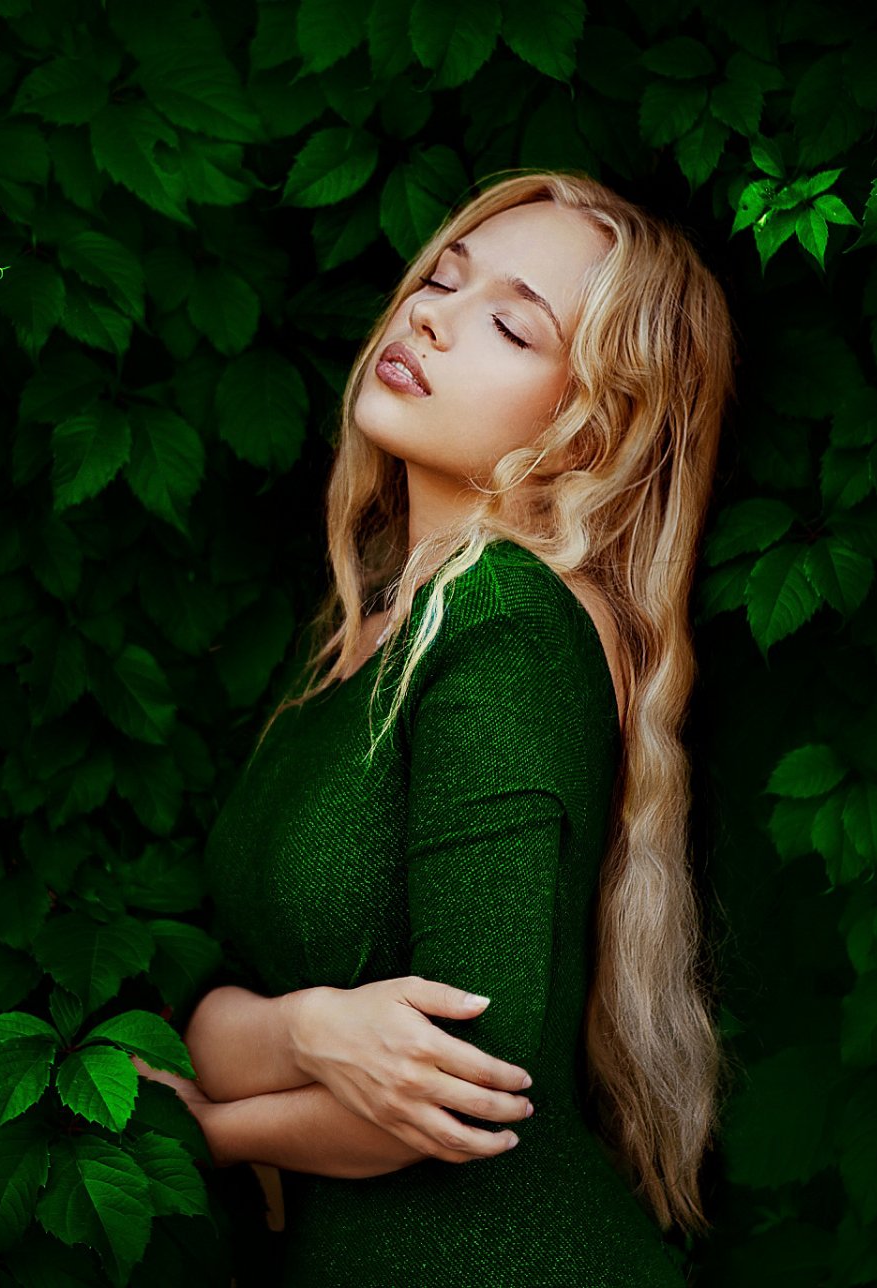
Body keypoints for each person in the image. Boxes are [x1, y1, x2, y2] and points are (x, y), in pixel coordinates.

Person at [131, 169, 739, 1285]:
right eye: (442, 280)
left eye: (509, 324)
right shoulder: (365, 631)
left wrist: (212, 1133)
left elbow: (476, 1078)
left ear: (592, 427)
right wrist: (314, 1027)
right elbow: (213, 993)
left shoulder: (506, 622)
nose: (428, 316)